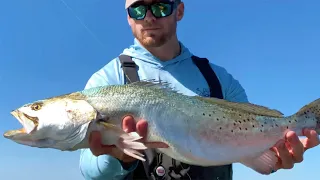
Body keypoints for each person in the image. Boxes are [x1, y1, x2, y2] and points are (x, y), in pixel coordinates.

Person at [79, 0, 320, 179]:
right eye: (138, 9)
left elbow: (262, 156)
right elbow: (90, 171)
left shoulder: (221, 79)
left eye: (161, 7)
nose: (149, 18)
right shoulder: (106, 80)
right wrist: (120, 157)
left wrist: (277, 155)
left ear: (179, 10)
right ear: (128, 16)